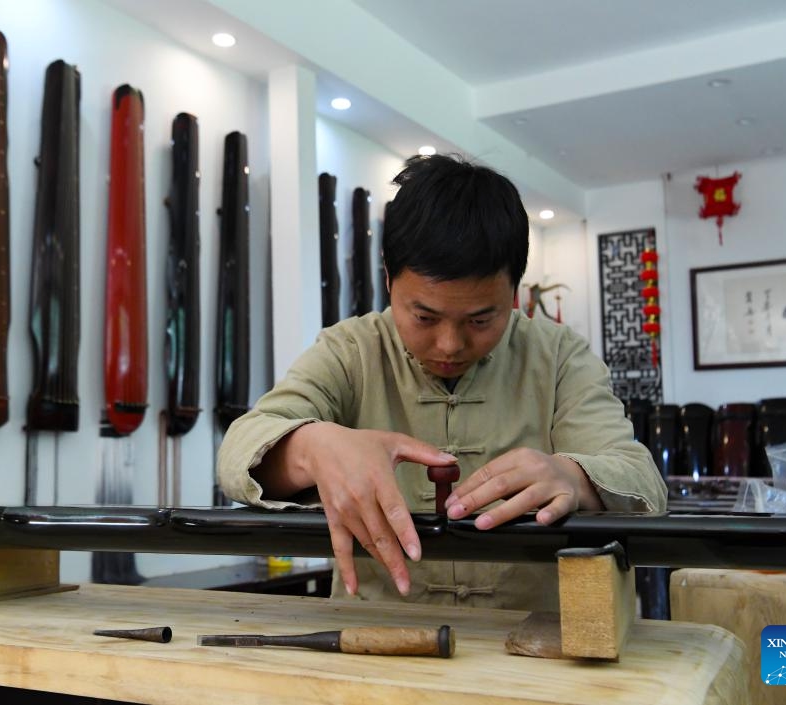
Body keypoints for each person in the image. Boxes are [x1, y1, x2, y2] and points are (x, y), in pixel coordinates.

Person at [217, 154, 667, 610]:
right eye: (424, 316)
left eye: (481, 318)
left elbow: (643, 482)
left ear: (514, 293)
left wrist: (572, 475)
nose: (450, 344)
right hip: (379, 644)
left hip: (536, 652)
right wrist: (314, 447)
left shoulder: (557, 356)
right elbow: (238, 450)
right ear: (389, 279)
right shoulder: (350, 350)